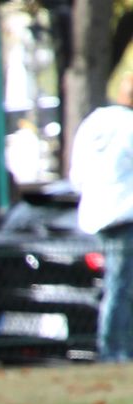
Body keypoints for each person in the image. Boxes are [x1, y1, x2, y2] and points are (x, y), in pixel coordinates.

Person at [71, 67, 133, 363]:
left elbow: (77, 176)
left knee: (117, 287)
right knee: (121, 288)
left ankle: (115, 348)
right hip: (125, 216)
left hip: (99, 215)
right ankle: (115, 352)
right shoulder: (129, 126)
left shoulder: (94, 123)